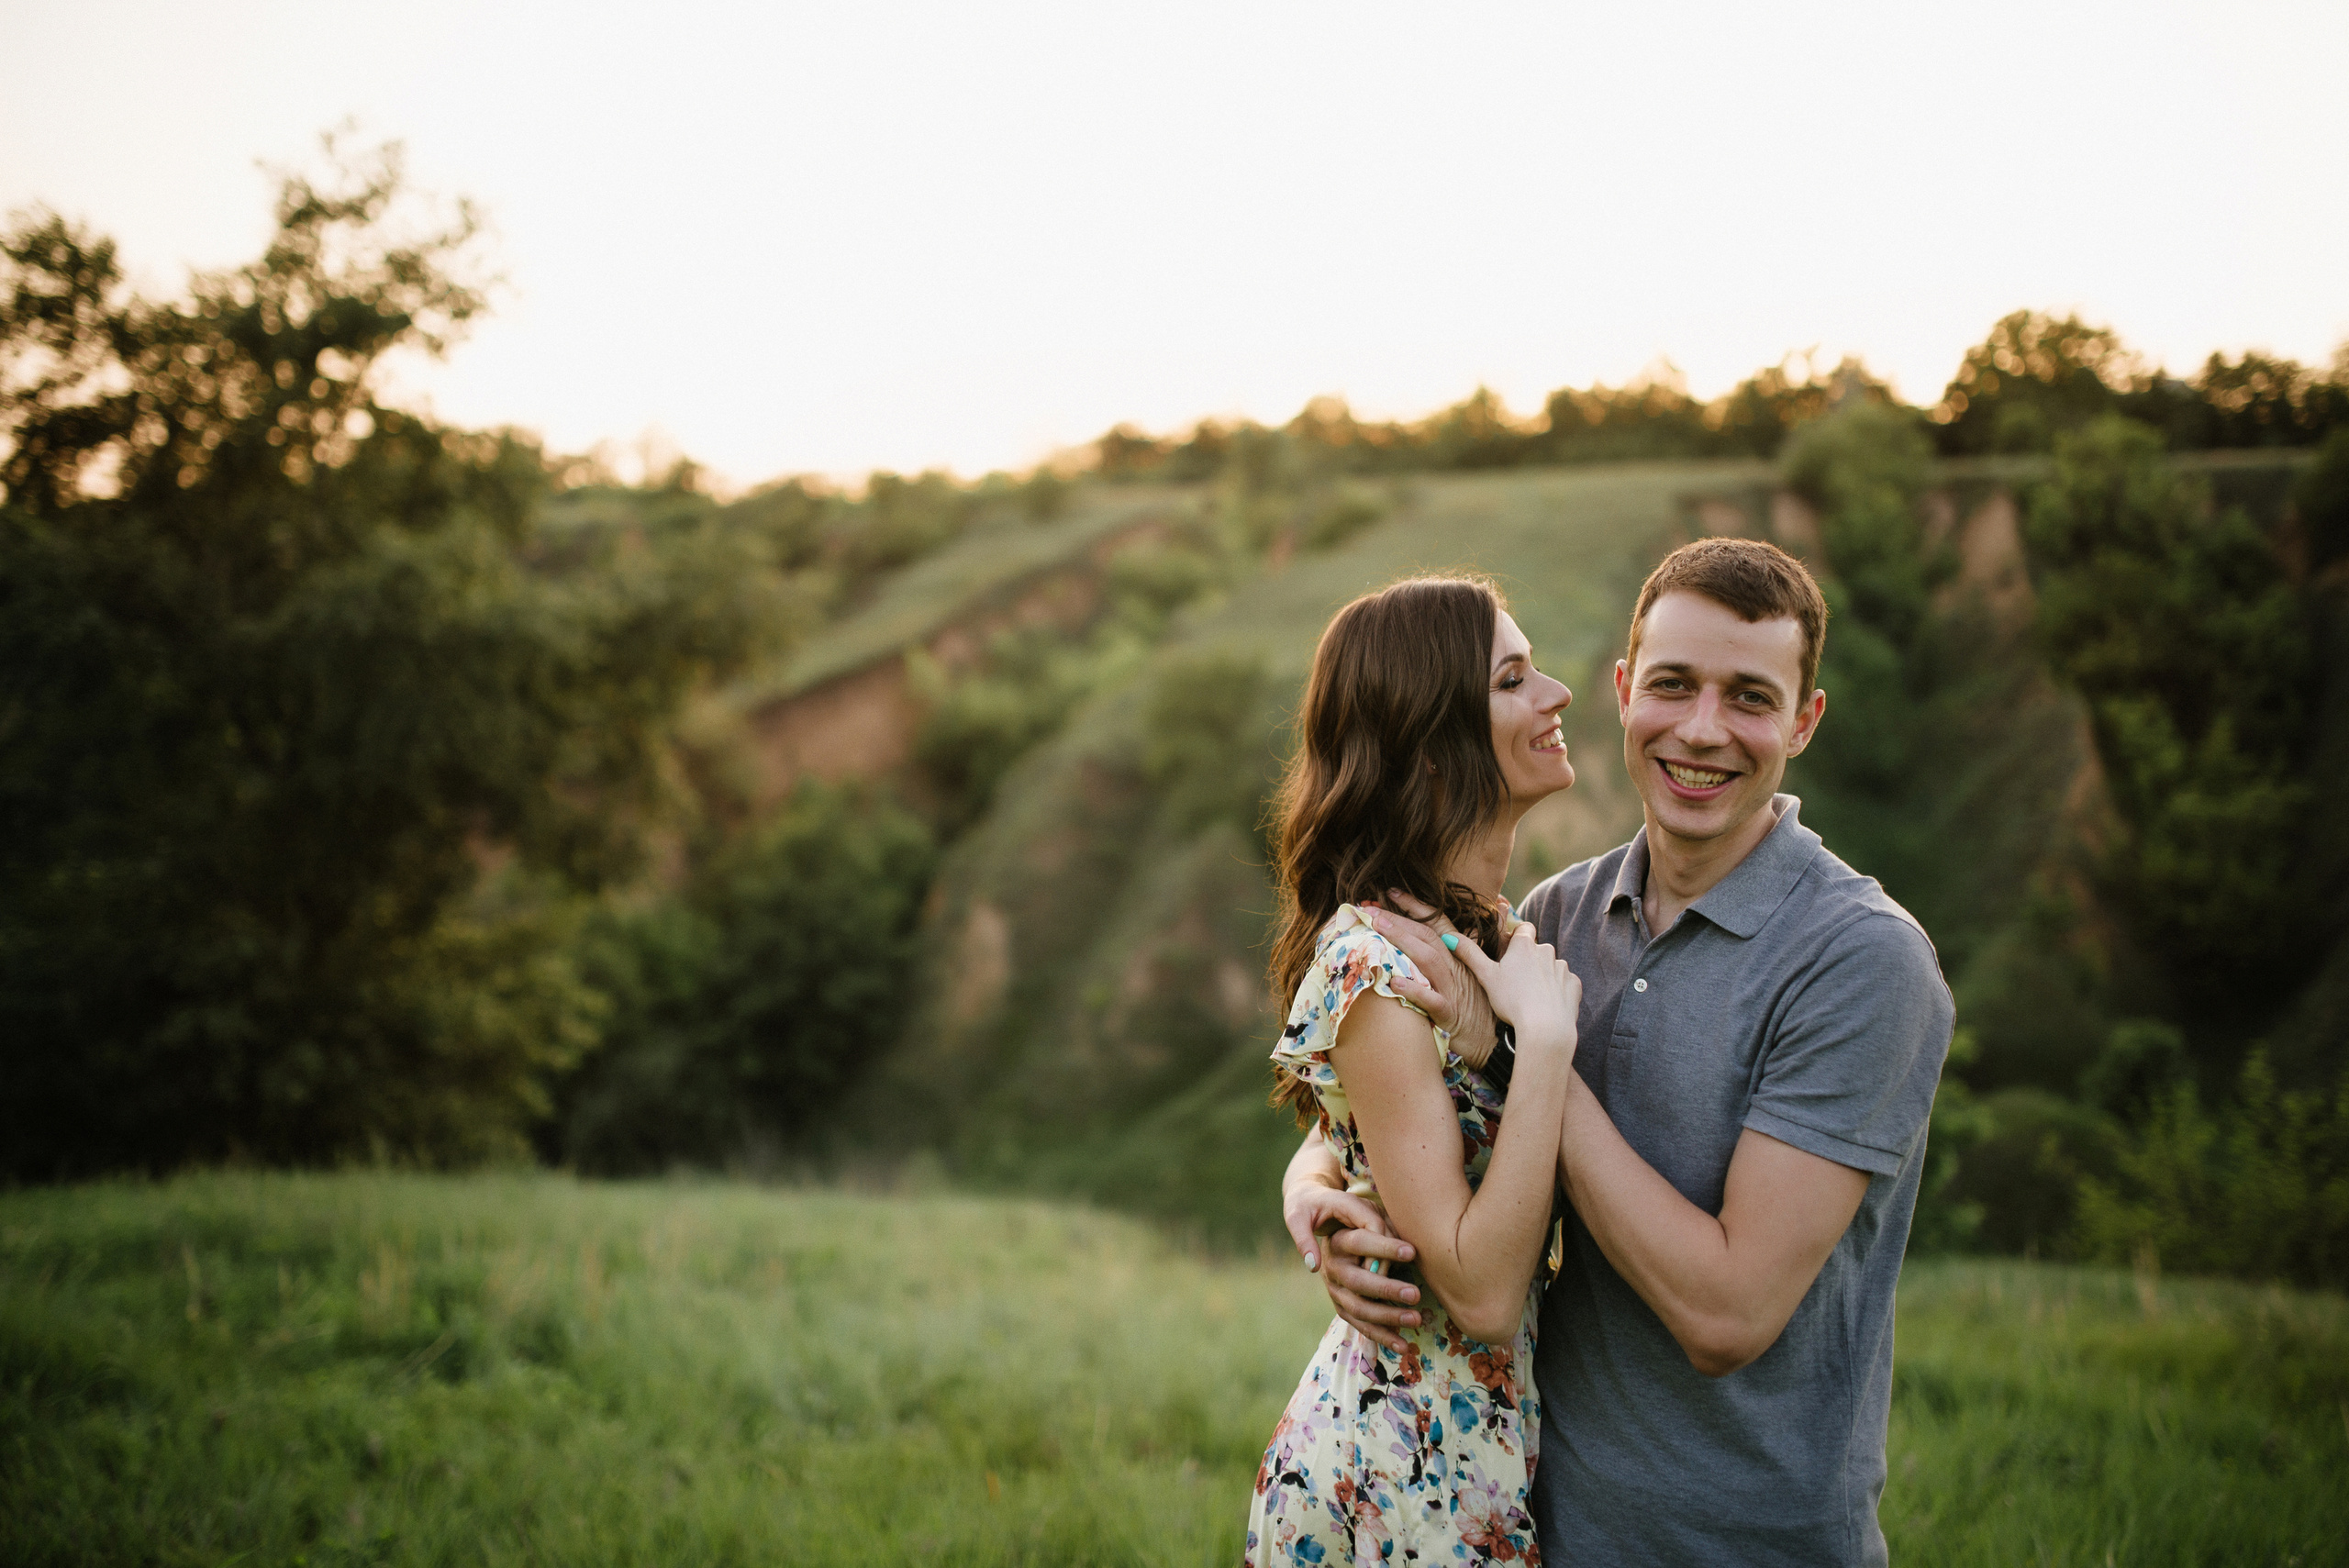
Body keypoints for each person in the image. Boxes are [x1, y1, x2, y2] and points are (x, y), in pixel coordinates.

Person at [1287, 538, 1956, 1567]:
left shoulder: (1863, 961)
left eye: (1748, 697)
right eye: (1674, 684)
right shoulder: (1551, 920)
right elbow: (1406, 1099)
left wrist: (1531, 1051)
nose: (1701, 729)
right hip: (1538, 1516)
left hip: (1744, 1544)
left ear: (1804, 721)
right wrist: (1323, 1194)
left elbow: (1724, 1313)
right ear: (1623, 690)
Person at [1246, 574, 1585, 1566]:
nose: (1557, 693)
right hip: (1405, 1470)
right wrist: (1547, 1047)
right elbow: (1477, 1294)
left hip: (1480, 1448)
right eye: (1514, 678)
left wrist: (1310, 1184)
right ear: (1434, 748)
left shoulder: (1479, 932)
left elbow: (1351, 1133)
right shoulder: (1376, 964)